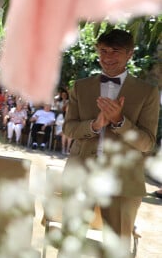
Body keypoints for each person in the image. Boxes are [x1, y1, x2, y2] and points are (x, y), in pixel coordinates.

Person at [63, 29, 159, 253]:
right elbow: (68, 128)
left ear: (129, 54)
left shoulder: (147, 92)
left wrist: (119, 122)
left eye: (115, 51)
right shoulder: (80, 86)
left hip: (123, 181)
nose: (107, 57)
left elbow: (147, 143)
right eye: (103, 51)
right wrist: (94, 125)